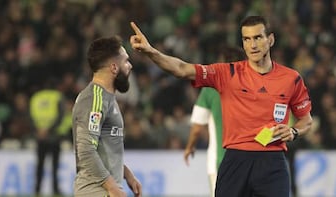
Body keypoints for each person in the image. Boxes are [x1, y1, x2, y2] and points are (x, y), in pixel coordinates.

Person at [130, 15, 313, 197]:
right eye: (247, 39)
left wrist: (294, 132)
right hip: (235, 160)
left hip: (272, 161)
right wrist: (150, 51)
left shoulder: (291, 78)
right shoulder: (227, 73)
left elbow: (306, 120)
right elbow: (182, 69)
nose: (253, 45)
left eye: (258, 37)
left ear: (270, 39)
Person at [72, 35, 142, 197]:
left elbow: (105, 150)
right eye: (125, 61)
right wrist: (112, 187)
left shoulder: (106, 98)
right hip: (96, 192)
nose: (130, 66)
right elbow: (86, 150)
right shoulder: (94, 99)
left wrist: (127, 175)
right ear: (114, 68)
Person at [184, 46, 246, 197]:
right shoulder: (251, 87)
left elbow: (198, 127)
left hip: (220, 161)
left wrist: (189, 147)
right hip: (248, 161)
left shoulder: (210, 88)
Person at [29, 79, 65, 195]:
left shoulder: (35, 97)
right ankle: (55, 189)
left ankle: (37, 189)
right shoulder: (57, 96)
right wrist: (49, 130)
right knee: (55, 165)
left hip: (40, 136)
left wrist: (38, 130)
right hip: (54, 136)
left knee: (40, 164)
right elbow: (61, 115)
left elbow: (30, 116)